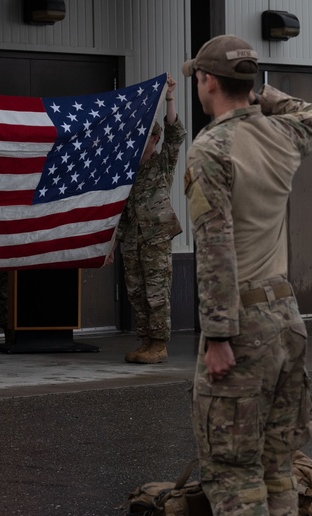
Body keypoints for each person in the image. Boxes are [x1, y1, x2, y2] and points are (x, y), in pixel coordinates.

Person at [171, 35, 312, 516]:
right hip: (286, 316)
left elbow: (213, 249)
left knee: (231, 471)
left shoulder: (211, 149)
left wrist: (216, 336)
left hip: (239, 322)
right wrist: (266, 93)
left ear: (208, 83)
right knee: (275, 470)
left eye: (201, 78)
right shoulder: (282, 133)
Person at [113, 74, 186, 364]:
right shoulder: (128, 172)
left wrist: (168, 97)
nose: (138, 145)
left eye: (144, 140)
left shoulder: (163, 162)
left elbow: (175, 133)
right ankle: (145, 340)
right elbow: (123, 212)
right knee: (137, 293)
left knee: (157, 294)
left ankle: (159, 345)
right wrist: (112, 245)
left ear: (154, 140)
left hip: (155, 240)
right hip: (133, 241)